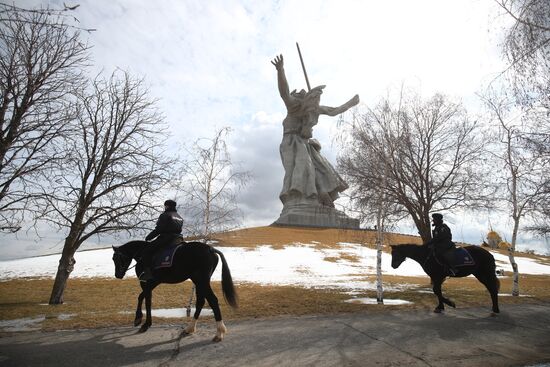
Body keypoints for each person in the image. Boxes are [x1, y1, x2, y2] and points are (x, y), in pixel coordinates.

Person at [271, 54, 359, 208]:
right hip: (291, 143)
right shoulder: (293, 107)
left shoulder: (312, 110)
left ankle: (323, 197)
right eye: (297, 94)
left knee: (319, 168)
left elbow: (334, 110)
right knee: (300, 169)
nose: (297, 95)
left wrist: (351, 102)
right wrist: (280, 70)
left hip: (305, 144)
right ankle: (297, 199)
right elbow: (284, 92)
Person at [139, 200, 183, 281]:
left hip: (166, 238)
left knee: (147, 251)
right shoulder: (180, 217)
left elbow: (158, 229)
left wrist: (148, 237)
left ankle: (148, 274)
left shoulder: (165, 215)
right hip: (178, 239)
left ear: (167, 206)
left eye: (165, 205)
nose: (165, 207)